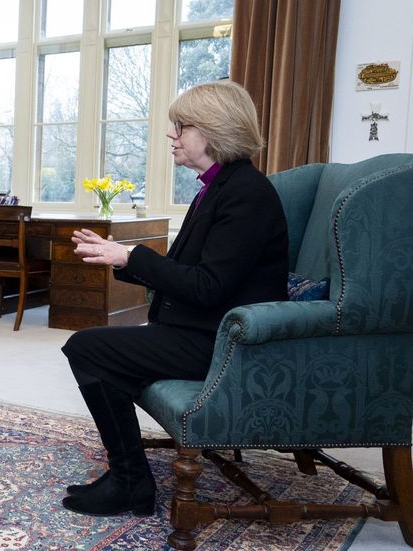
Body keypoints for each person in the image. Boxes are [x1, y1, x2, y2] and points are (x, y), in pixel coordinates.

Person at [60, 81, 289, 517]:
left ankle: (130, 480)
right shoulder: (219, 187)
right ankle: (128, 477)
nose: (172, 135)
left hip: (225, 344)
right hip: (202, 330)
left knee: (87, 349)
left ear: (214, 129)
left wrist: (130, 255)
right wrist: (122, 258)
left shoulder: (246, 193)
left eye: (182, 126)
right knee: (100, 352)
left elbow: (207, 286)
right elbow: (193, 276)